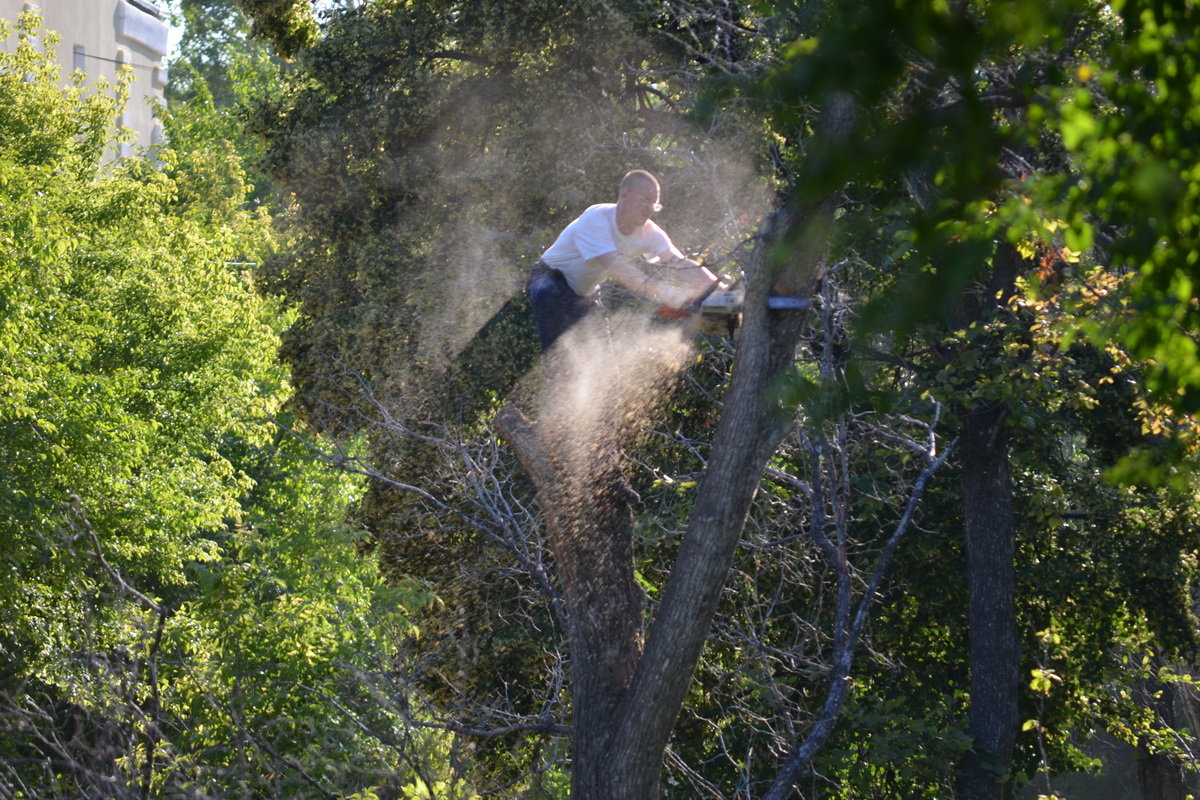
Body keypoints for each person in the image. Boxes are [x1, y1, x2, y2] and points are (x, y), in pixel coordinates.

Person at [527, 170, 717, 351]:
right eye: (646, 201)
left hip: (584, 294)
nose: (650, 209)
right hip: (548, 279)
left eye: (655, 205)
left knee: (600, 356)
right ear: (625, 195)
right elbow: (617, 268)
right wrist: (669, 293)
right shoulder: (596, 218)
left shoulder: (650, 233)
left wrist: (716, 288)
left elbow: (680, 262)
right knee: (557, 343)